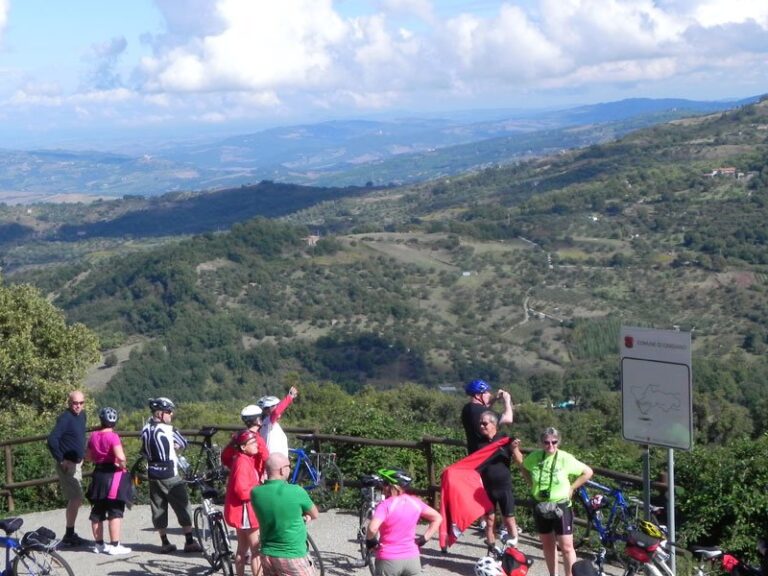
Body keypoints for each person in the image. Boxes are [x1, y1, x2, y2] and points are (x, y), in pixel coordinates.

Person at [517, 427, 593, 576]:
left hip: (560, 505)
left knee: (566, 547)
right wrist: (531, 484)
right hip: (540, 505)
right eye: (546, 442)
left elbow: (587, 472)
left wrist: (572, 488)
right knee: (547, 544)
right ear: (541, 443)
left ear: (559, 442)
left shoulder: (565, 458)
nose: (550, 445)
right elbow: (524, 468)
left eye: (554, 442)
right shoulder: (535, 456)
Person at [140, 397, 202, 554]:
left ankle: (165, 542)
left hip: (153, 473)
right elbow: (183, 442)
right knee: (183, 504)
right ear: (160, 413)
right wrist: (175, 446)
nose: (171, 414)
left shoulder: (145, 429)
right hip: (169, 473)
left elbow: (144, 452)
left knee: (158, 507)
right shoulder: (169, 430)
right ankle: (189, 541)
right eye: (168, 412)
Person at [251, 452, 319, 576]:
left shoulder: (255, 493)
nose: (290, 469)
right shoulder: (296, 491)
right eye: (289, 466)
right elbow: (314, 514)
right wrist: (305, 517)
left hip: (267, 554)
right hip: (292, 555)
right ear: (282, 470)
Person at [365, 467, 442, 576]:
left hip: (388, 559)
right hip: (412, 559)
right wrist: (423, 539)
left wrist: (370, 541)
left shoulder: (385, 505)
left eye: (385, 483)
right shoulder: (415, 502)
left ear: (391, 486)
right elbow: (437, 518)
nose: (383, 486)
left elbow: (372, 528)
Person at [85, 407, 133, 555]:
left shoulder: (93, 436)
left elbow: (87, 456)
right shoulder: (113, 437)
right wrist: (123, 464)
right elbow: (121, 457)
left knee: (97, 511)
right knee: (115, 510)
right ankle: (115, 545)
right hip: (113, 475)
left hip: (98, 474)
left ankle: (99, 544)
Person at [46, 389, 88, 547]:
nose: (78, 406)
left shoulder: (82, 416)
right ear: (69, 403)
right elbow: (52, 440)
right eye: (74, 403)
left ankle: (70, 533)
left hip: (76, 464)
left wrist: (82, 456)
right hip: (67, 465)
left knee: (77, 498)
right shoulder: (65, 418)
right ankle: (69, 534)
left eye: (81, 403)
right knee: (76, 498)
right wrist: (61, 460)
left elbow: (80, 436)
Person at [224, 428, 268, 576]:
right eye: (252, 442)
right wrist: (260, 491)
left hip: (240, 512)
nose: (256, 444)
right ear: (243, 447)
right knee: (256, 550)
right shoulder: (243, 463)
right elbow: (242, 491)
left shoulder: (243, 459)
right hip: (246, 512)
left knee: (242, 550)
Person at [476, 411, 520, 552]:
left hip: (504, 488)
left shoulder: (505, 440)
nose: (481, 426)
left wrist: (514, 449)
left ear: (494, 424)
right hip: (487, 489)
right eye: (480, 423)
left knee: (509, 520)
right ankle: (492, 551)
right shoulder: (479, 444)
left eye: (484, 423)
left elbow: (520, 461)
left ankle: (513, 553)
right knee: (489, 522)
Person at [461, 379, 514, 454]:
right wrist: (507, 401)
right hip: (487, 455)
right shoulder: (482, 412)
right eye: (486, 392)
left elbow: (484, 408)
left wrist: (495, 399)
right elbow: (508, 418)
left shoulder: (467, 409)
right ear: (478, 395)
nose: (489, 394)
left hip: (474, 453)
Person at [257, 386, 298, 456]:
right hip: (275, 461)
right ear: (267, 410)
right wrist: (290, 397)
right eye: (276, 406)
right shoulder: (268, 421)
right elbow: (276, 412)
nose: (279, 410)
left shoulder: (263, 423)